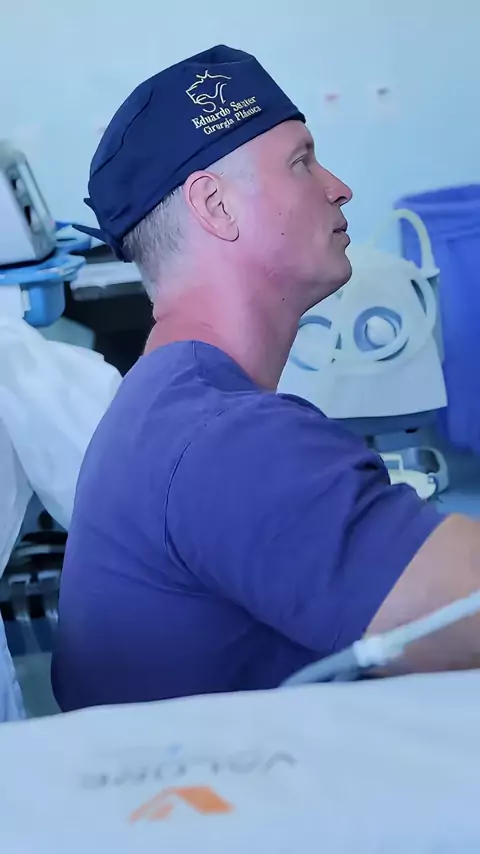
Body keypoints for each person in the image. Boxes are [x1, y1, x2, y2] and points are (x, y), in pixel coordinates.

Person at [52, 45, 480, 712]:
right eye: (302, 162)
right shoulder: (226, 438)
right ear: (216, 206)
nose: (338, 187)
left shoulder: (164, 405)